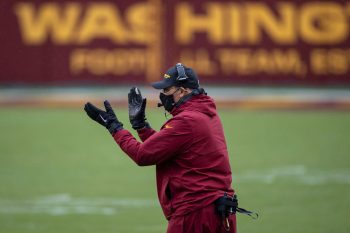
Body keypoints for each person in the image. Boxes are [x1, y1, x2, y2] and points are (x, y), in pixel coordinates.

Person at [84, 63, 237, 233]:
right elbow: (168, 148)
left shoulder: (187, 120)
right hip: (219, 211)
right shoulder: (206, 113)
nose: (163, 95)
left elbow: (142, 155)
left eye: (167, 90)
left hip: (195, 213)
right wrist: (141, 127)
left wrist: (113, 126)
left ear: (182, 90)